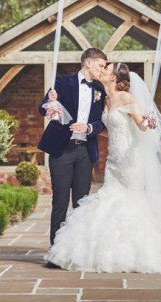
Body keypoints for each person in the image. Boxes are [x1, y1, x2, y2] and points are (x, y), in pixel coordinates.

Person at [43, 61, 161, 275]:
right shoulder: (104, 99)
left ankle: (145, 252)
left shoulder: (126, 97)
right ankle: (111, 251)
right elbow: (109, 129)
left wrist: (149, 121)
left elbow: (141, 125)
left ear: (114, 77)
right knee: (110, 200)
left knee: (133, 202)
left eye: (107, 68)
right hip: (113, 160)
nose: (103, 70)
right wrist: (87, 129)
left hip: (130, 159)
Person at [37, 47, 107, 259]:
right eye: (101, 66)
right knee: (59, 201)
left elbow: (101, 122)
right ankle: (56, 251)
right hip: (62, 150)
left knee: (81, 202)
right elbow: (43, 107)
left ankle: (77, 251)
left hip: (86, 151)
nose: (103, 71)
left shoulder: (100, 90)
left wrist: (88, 128)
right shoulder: (62, 82)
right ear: (88, 63)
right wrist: (50, 104)